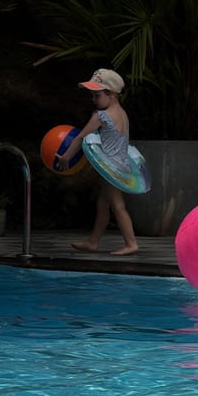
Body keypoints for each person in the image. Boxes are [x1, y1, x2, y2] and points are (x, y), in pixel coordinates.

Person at [55, 68, 139, 256]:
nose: (93, 100)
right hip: (121, 165)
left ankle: (131, 243)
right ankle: (93, 242)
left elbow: (79, 138)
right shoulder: (122, 114)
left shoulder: (100, 116)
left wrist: (66, 157)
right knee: (103, 203)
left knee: (117, 205)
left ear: (111, 94)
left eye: (97, 95)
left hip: (111, 169)